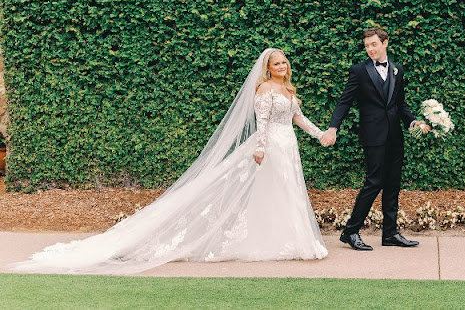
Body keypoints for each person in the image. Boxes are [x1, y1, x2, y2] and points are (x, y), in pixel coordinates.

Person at [12, 49, 328, 274]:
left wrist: (320, 135)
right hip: (269, 146)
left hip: (288, 147)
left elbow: (298, 118)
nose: (282, 66)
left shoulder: (287, 90)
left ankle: (293, 240)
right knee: (265, 191)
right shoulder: (264, 90)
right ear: (268, 68)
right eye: (277, 63)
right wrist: (259, 148)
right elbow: (262, 122)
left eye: (284, 62)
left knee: (285, 193)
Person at [320, 28, 429, 251]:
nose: (369, 49)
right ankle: (350, 231)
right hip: (373, 135)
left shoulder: (398, 70)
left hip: (395, 136)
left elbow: (400, 104)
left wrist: (414, 122)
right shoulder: (359, 71)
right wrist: (333, 128)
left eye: (373, 44)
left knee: (393, 184)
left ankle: (390, 233)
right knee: (374, 182)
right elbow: (344, 101)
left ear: (385, 43)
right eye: (367, 45)